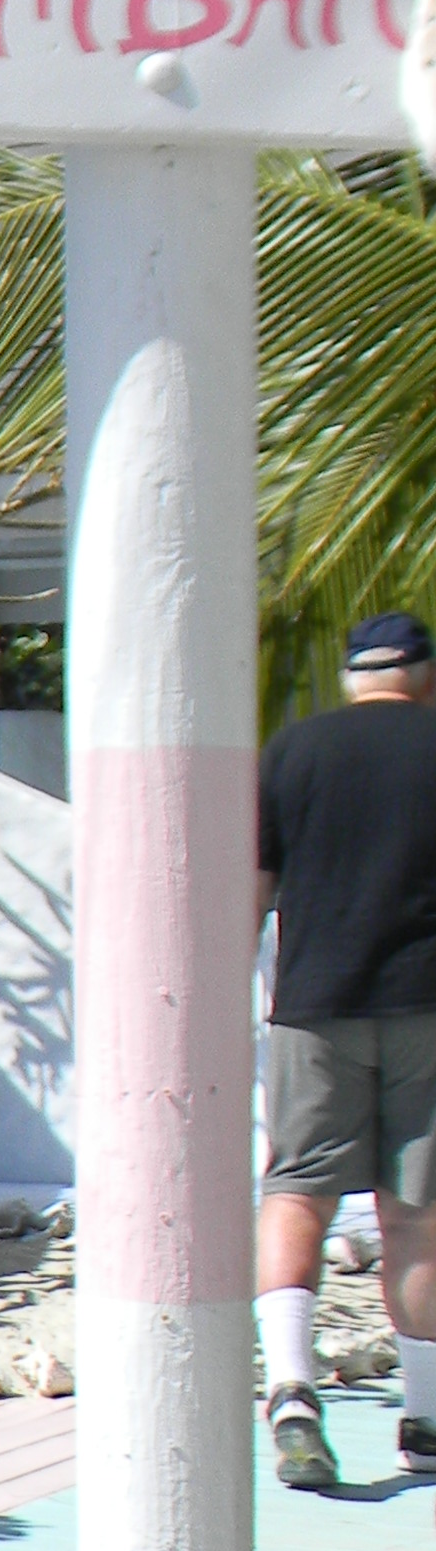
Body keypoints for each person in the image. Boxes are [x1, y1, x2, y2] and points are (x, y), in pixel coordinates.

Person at [255, 608, 436, 1491]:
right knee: (417, 1216)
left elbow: (253, 889)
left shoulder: (293, 751)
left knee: (298, 1194)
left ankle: (291, 1391)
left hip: (314, 1008)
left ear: (352, 675)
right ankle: (425, 1421)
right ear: (425, 674)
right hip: (429, 1011)